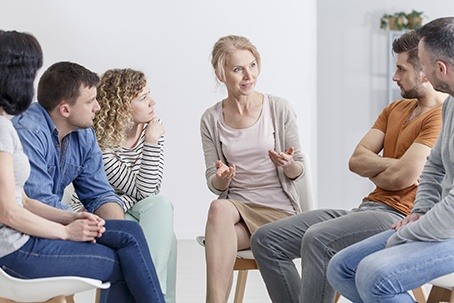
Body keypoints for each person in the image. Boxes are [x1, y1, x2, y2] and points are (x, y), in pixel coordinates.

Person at [250, 30, 448, 303]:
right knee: (266, 239)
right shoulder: (394, 109)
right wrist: (394, 166)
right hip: (367, 208)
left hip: (397, 215)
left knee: (319, 239)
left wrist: (385, 168)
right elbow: (356, 160)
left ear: (424, 72)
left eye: (401, 69)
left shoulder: (440, 116)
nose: (394, 76)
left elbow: (404, 177)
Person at [0, 30, 164, 303]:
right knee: (126, 259)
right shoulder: (17, 129)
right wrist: (67, 229)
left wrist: (73, 218)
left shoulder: (75, 132)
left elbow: (26, 200)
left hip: (28, 236)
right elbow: (9, 212)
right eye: (31, 70)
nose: (98, 108)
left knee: (129, 235)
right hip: (18, 247)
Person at [327, 17, 454, 303]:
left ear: (439, 68)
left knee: (374, 274)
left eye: (422, 64)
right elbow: (433, 166)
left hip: (451, 229)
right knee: (341, 267)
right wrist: (420, 211)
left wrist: (410, 231)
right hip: (442, 224)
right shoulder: (451, 104)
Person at [200, 35, 305, 303]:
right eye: (238, 69)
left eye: (253, 65)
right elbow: (214, 183)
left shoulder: (278, 108)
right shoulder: (211, 119)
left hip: (280, 213)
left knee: (217, 235)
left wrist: (288, 164)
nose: (249, 76)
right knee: (218, 208)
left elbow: (298, 170)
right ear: (220, 74)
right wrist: (222, 180)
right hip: (239, 213)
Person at [71, 68, 177, 303]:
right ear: (121, 106)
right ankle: (153, 296)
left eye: (149, 94)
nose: (153, 102)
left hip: (132, 206)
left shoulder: (151, 130)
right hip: (101, 211)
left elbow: (149, 193)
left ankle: (151, 294)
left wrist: (150, 140)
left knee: (161, 207)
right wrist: (151, 142)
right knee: (165, 234)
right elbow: (140, 192)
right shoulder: (99, 138)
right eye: (142, 98)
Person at [12, 62, 124, 220]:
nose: (97, 107)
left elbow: (100, 195)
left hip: (57, 223)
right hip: (27, 229)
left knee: (129, 235)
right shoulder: (28, 133)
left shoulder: (84, 133)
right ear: (65, 109)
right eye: (89, 102)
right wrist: (81, 221)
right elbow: (39, 202)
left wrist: (119, 231)